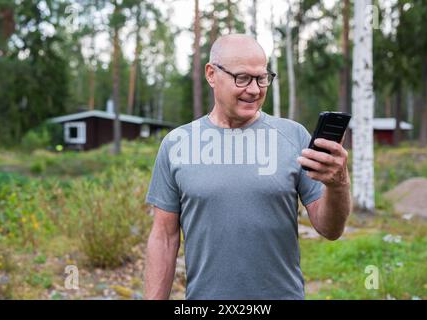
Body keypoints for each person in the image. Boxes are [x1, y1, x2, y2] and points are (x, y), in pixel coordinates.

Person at [144, 34, 351, 300]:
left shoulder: (294, 137)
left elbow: (330, 229)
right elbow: (163, 237)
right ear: (211, 74)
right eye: (242, 78)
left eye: (262, 78)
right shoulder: (177, 144)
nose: (254, 90)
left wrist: (338, 184)